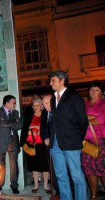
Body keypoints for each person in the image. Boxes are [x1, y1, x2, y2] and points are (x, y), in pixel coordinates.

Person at [49, 70, 88, 200]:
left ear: (62, 80)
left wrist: (78, 138)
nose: (50, 83)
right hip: (55, 143)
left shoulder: (73, 96)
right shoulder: (53, 97)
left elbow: (83, 121)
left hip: (71, 142)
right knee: (61, 175)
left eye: (53, 80)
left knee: (76, 176)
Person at [0, 95, 23, 195]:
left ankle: (14, 186)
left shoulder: (16, 112)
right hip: (1, 141)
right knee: (0, 165)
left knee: (14, 165)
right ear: (7, 103)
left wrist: (7, 122)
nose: (15, 104)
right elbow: (1, 124)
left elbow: (19, 126)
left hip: (13, 141)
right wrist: (14, 121)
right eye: (14, 102)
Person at [21, 98, 50, 194]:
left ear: (42, 106)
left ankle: (46, 185)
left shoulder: (45, 115)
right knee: (34, 165)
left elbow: (48, 128)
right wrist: (26, 135)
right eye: (35, 105)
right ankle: (36, 185)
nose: (36, 107)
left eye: (38, 105)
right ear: (32, 107)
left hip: (43, 144)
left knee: (45, 166)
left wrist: (37, 128)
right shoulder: (29, 116)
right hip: (32, 144)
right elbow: (24, 128)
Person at [81, 80, 105, 200]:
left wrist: (86, 119)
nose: (93, 93)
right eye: (91, 90)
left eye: (96, 90)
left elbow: (100, 120)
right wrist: (90, 118)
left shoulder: (103, 104)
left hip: (100, 141)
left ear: (101, 92)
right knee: (89, 170)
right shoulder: (84, 105)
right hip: (86, 143)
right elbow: (78, 119)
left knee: (102, 169)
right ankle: (94, 195)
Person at [41, 94, 60, 200]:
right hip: (49, 146)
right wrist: (45, 138)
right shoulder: (45, 112)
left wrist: (51, 139)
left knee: (61, 170)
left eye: (47, 103)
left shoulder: (58, 112)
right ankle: (57, 191)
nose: (45, 106)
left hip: (60, 146)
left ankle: (66, 192)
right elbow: (43, 126)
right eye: (43, 104)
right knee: (52, 169)